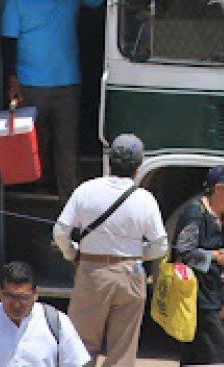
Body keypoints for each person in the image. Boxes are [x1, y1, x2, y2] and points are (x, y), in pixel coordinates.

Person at [53, 134, 168, 367]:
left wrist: (73, 254)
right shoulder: (145, 199)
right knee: (123, 349)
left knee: (81, 346)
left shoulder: (86, 190)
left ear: (109, 161)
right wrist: (135, 255)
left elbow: (60, 232)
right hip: (131, 275)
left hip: (92, 272)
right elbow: (161, 246)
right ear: (138, 167)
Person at [1, 0, 105, 202]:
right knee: (36, 142)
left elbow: (103, 2)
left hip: (68, 82)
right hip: (29, 83)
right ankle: (35, 190)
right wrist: (12, 78)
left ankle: (68, 200)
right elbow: (8, 42)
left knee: (67, 144)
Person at [172, 164, 224, 366]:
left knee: (194, 356)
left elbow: (215, 249)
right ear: (218, 189)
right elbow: (182, 255)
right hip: (196, 299)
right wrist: (214, 257)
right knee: (214, 356)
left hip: (210, 294)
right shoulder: (195, 214)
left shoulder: (218, 213)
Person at [0, 261, 90, 367]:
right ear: (0, 294)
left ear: (36, 294)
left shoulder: (57, 323)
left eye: (23, 297)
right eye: (10, 297)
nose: (17, 304)